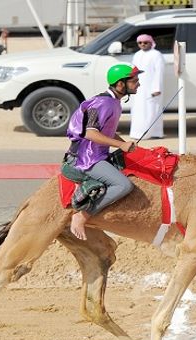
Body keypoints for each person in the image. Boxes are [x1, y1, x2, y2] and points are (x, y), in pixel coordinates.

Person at [66, 63, 142, 241]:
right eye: (134, 80)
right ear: (121, 84)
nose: (138, 83)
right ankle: (82, 215)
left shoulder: (114, 102)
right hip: (86, 159)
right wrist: (120, 145)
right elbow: (91, 133)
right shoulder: (103, 103)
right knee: (124, 186)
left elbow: (106, 130)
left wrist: (125, 144)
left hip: (97, 155)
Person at [129, 34, 165, 141]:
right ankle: (137, 133)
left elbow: (159, 72)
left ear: (151, 43)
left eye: (145, 42)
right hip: (138, 88)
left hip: (151, 89)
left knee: (151, 110)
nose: (143, 44)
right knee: (138, 110)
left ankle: (154, 133)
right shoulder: (137, 55)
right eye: (140, 43)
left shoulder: (156, 54)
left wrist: (157, 88)